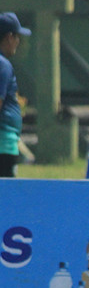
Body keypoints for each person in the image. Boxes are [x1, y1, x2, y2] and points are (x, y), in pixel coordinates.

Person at [0, 12, 30, 178]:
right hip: (3, 146)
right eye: (17, 37)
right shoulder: (2, 65)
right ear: (9, 37)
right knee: (5, 199)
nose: (18, 42)